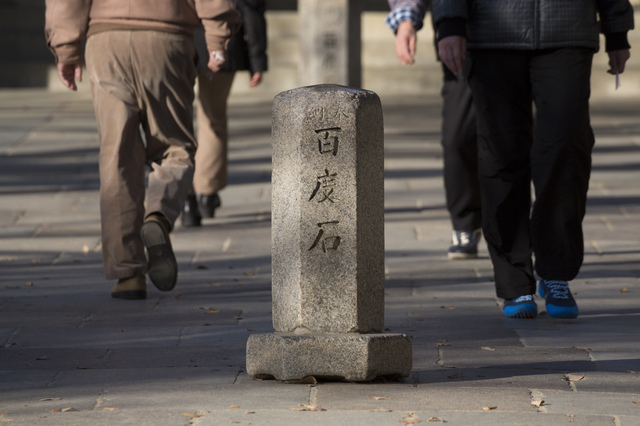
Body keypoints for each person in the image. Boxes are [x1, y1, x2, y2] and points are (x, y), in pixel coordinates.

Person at [432, 0, 633, 318]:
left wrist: (617, 28)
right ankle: (514, 283)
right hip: (491, 32)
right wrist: (449, 22)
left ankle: (556, 273)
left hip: (567, 28)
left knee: (567, 148)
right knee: (501, 154)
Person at [45, 0, 241, 299]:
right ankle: (158, 215)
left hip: (106, 40)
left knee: (117, 156)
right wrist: (217, 38)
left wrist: (66, 46)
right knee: (175, 147)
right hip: (167, 39)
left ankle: (128, 275)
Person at [386, 0, 482, 260]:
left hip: (536, 40)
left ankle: (526, 227)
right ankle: (466, 223)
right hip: (461, 29)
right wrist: (405, 20)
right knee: (457, 136)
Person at [182, 0, 268, 227]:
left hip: (176, 40)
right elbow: (251, 8)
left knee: (178, 119)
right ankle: (206, 193)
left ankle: (186, 199)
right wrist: (257, 58)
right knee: (213, 119)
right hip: (223, 41)